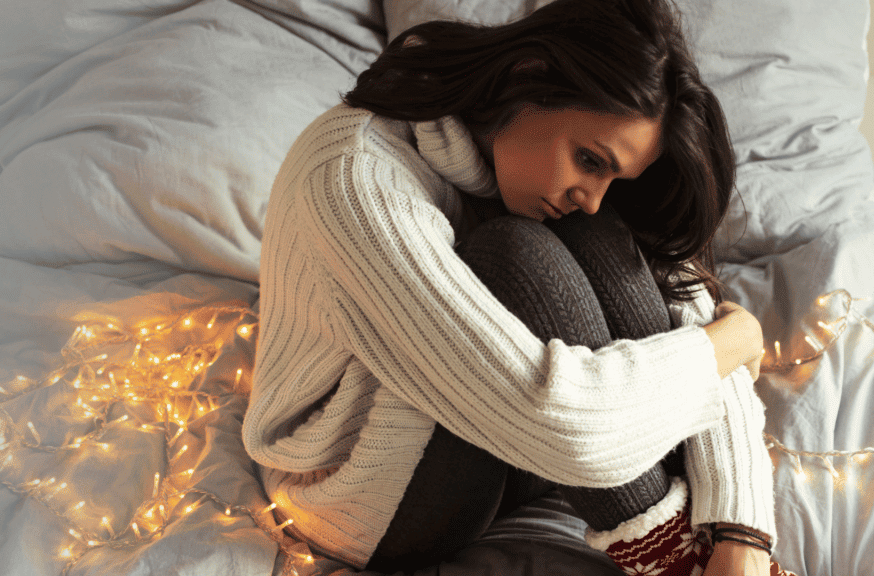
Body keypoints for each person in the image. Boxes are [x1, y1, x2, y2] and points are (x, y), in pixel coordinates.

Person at [242, 0, 795, 574]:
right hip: (360, 491)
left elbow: (694, 319)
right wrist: (735, 338)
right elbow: (564, 427)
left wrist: (742, 531)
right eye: (589, 159)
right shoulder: (355, 180)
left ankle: (706, 550)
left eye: (612, 175)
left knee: (600, 232)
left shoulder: (553, 182)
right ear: (526, 76)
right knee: (513, 254)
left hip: (511, 436)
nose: (592, 193)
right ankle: (669, 552)